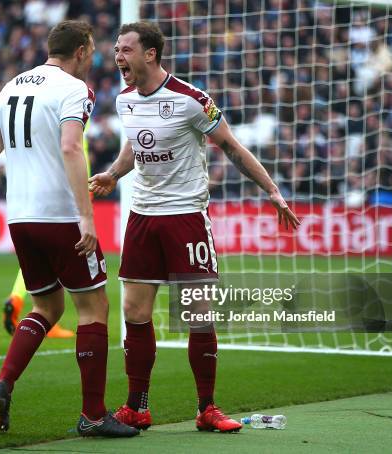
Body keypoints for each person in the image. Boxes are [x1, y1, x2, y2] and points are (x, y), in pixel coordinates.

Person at [89, 22, 300, 433]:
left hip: (185, 215)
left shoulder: (192, 100)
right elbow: (134, 147)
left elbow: (233, 148)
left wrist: (272, 189)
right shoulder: (124, 100)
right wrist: (114, 173)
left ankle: (207, 407)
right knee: (134, 311)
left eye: (126, 50)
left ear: (150, 54)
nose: (118, 57)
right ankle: (137, 406)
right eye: (116, 49)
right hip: (142, 216)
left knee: (197, 313)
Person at [0, 20, 139, 438]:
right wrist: (86, 217)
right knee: (94, 308)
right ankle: (94, 415)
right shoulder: (73, 88)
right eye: (93, 50)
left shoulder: (10, 86)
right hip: (61, 216)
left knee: (47, 308)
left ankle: (4, 382)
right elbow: (70, 147)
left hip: (21, 219)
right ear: (82, 50)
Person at [3, 122, 94, 339]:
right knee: (61, 257)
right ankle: (49, 321)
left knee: (41, 257)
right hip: (68, 188)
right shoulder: (73, 100)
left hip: (33, 192)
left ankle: (16, 297)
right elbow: (76, 148)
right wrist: (85, 189)